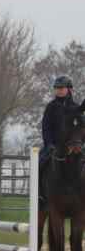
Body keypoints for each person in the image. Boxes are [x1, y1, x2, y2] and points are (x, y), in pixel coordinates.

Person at [38, 75, 85, 206]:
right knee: (39, 164)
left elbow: (82, 127)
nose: (58, 90)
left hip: (73, 145)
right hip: (53, 145)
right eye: (57, 88)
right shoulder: (51, 107)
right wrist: (49, 144)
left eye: (61, 88)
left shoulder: (75, 107)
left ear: (68, 89)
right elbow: (46, 127)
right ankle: (40, 196)